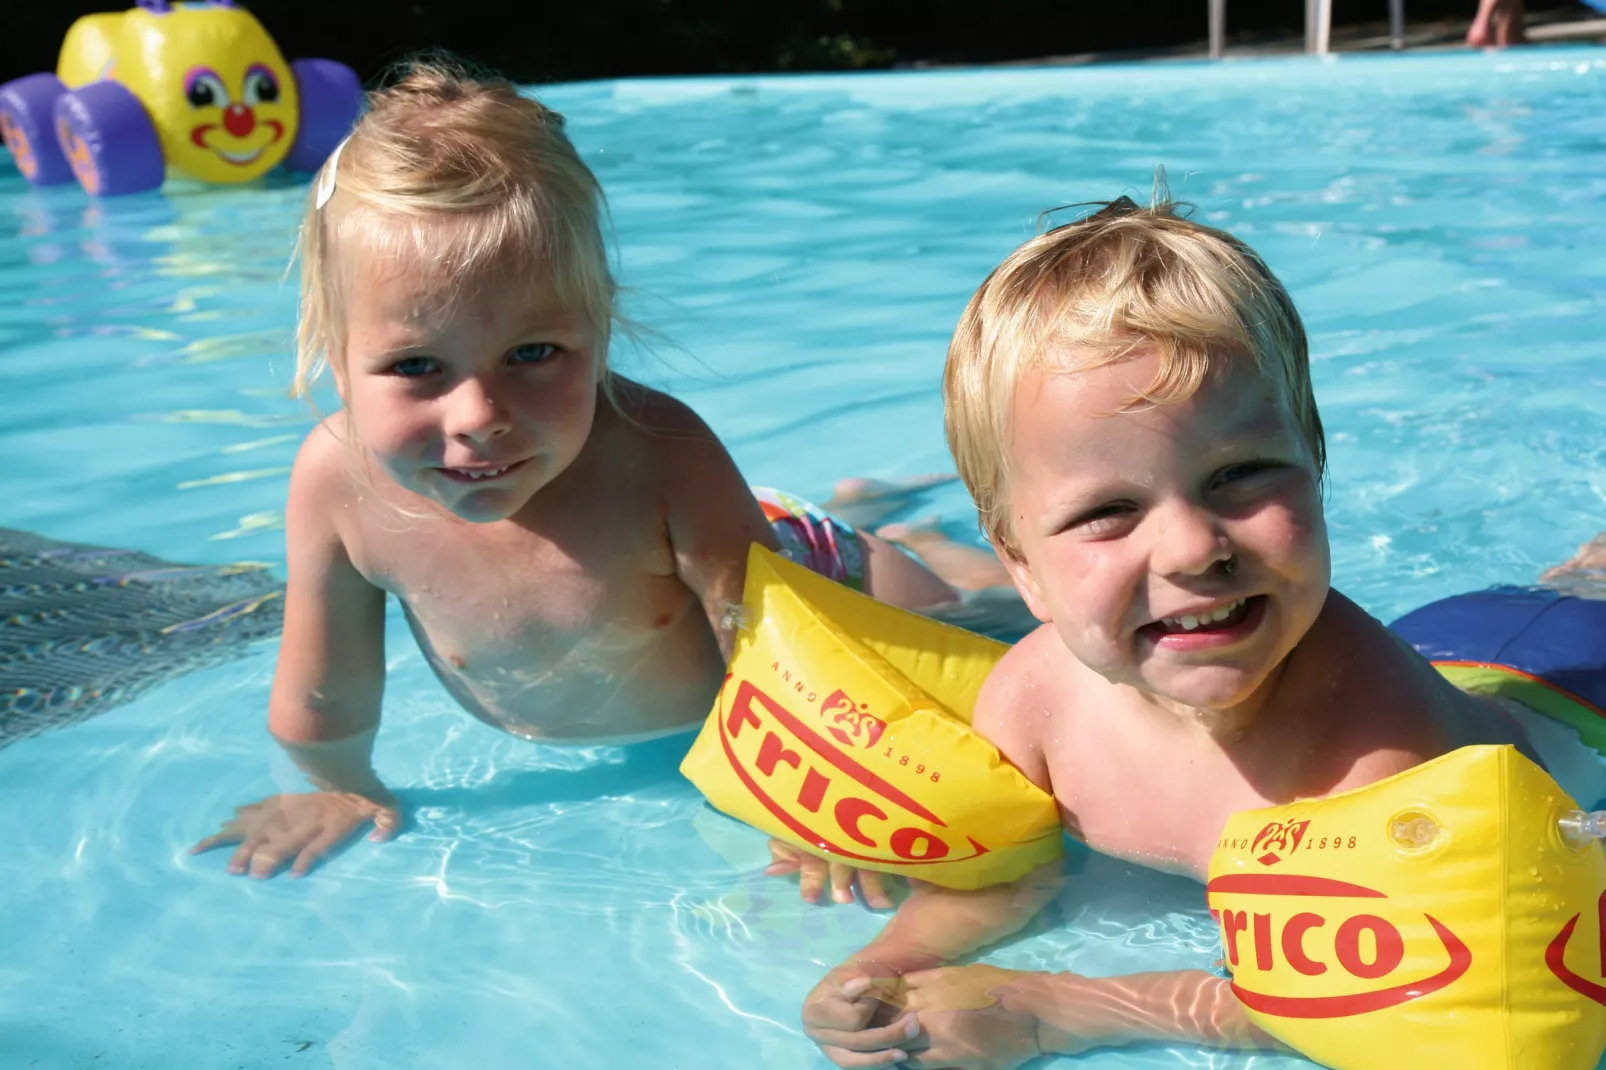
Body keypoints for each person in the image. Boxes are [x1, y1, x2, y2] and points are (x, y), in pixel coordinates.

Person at [801, 195, 1605, 1068]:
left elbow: (1373, 1000)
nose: (1192, 547)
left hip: (1571, 696)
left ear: (1316, 463)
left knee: (1581, 588)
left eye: (1242, 474)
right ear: (1022, 566)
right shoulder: (1033, 703)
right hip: (1452, 638)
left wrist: (1057, 1008)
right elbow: (1009, 877)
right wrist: (885, 965)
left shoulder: (1380, 761)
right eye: (1108, 512)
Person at [189, 60, 1005, 901]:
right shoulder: (338, 484)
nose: (477, 414)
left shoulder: (660, 451)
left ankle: (924, 544)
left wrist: (809, 800)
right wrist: (339, 788)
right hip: (729, 564)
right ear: (337, 356)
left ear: (600, 328)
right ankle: (884, 514)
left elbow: (777, 646)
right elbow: (325, 685)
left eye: (533, 354)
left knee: (983, 626)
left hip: (814, 583)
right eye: (414, 365)